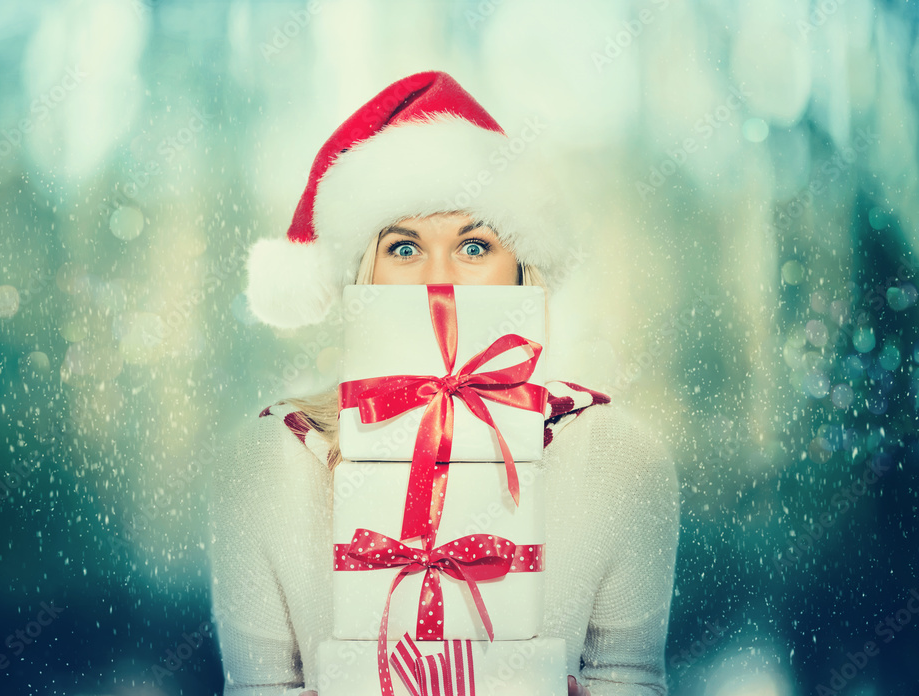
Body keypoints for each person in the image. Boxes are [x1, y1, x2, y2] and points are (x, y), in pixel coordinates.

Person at [209, 71, 680, 696]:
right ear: (361, 278)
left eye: (475, 245)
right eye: (404, 248)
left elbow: (629, 678)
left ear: (520, 270)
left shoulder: (622, 461)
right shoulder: (265, 464)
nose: (440, 279)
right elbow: (260, 688)